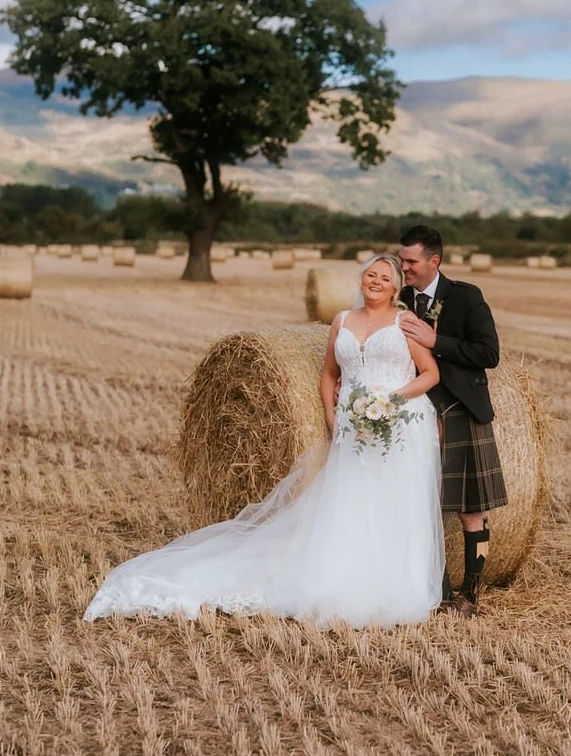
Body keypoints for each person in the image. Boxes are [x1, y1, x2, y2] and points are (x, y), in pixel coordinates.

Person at [83, 255, 443, 627]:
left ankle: (391, 585)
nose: (376, 281)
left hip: (400, 424)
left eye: (384, 277)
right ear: (361, 279)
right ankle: (341, 577)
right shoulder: (342, 321)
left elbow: (430, 373)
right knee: (350, 500)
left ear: (397, 287)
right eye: (371, 274)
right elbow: (328, 375)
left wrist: (391, 400)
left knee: (395, 502)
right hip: (352, 423)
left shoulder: (405, 323)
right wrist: (331, 414)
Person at [397, 225, 505, 617]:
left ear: (434, 261)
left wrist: (434, 341)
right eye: (402, 260)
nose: (403, 267)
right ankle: (436, 591)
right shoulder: (397, 299)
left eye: (411, 261)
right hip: (411, 411)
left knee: (469, 509)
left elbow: (488, 353)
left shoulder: (464, 297)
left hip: (460, 407)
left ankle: (470, 595)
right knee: (418, 503)